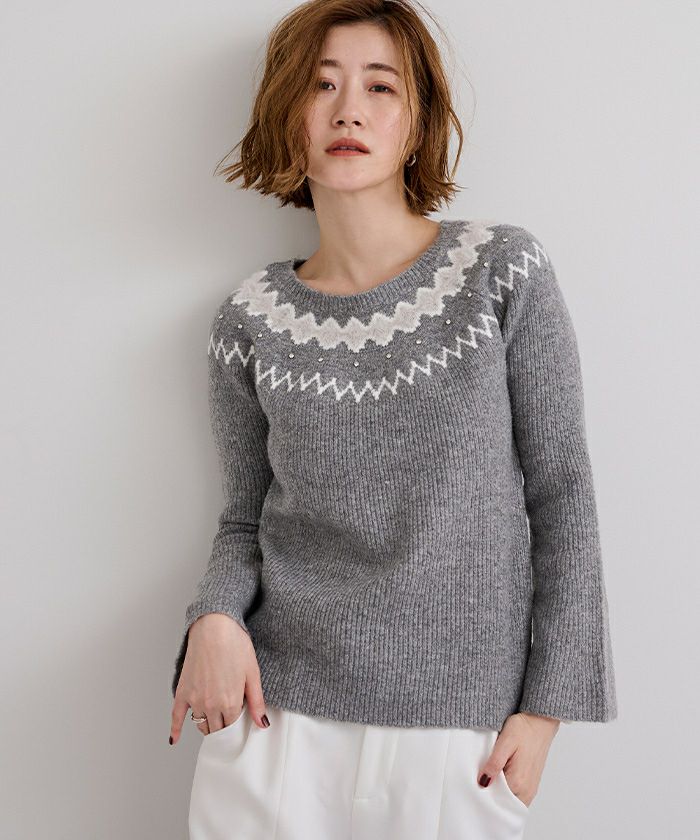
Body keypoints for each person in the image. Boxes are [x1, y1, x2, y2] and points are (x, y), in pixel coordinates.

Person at [168, 2, 618, 838]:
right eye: (321, 85)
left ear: (417, 124)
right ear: (287, 114)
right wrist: (215, 617)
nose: (349, 110)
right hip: (274, 726)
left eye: (381, 87)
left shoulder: (501, 271)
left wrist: (546, 710)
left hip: (458, 739)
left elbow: (562, 495)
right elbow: (245, 517)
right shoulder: (250, 318)